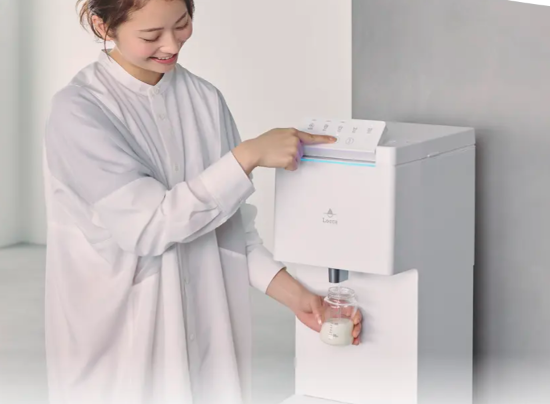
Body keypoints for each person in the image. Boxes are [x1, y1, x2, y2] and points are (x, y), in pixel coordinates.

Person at [42, 1, 363, 403]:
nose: (171, 45)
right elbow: (148, 227)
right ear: (102, 26)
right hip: (120, 343)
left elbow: (231, 231)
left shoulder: (205, 100)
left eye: (182, 24)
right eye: (151, 35)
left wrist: (301, 299)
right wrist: (247, 156)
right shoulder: (79, 111)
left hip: (207, 334)